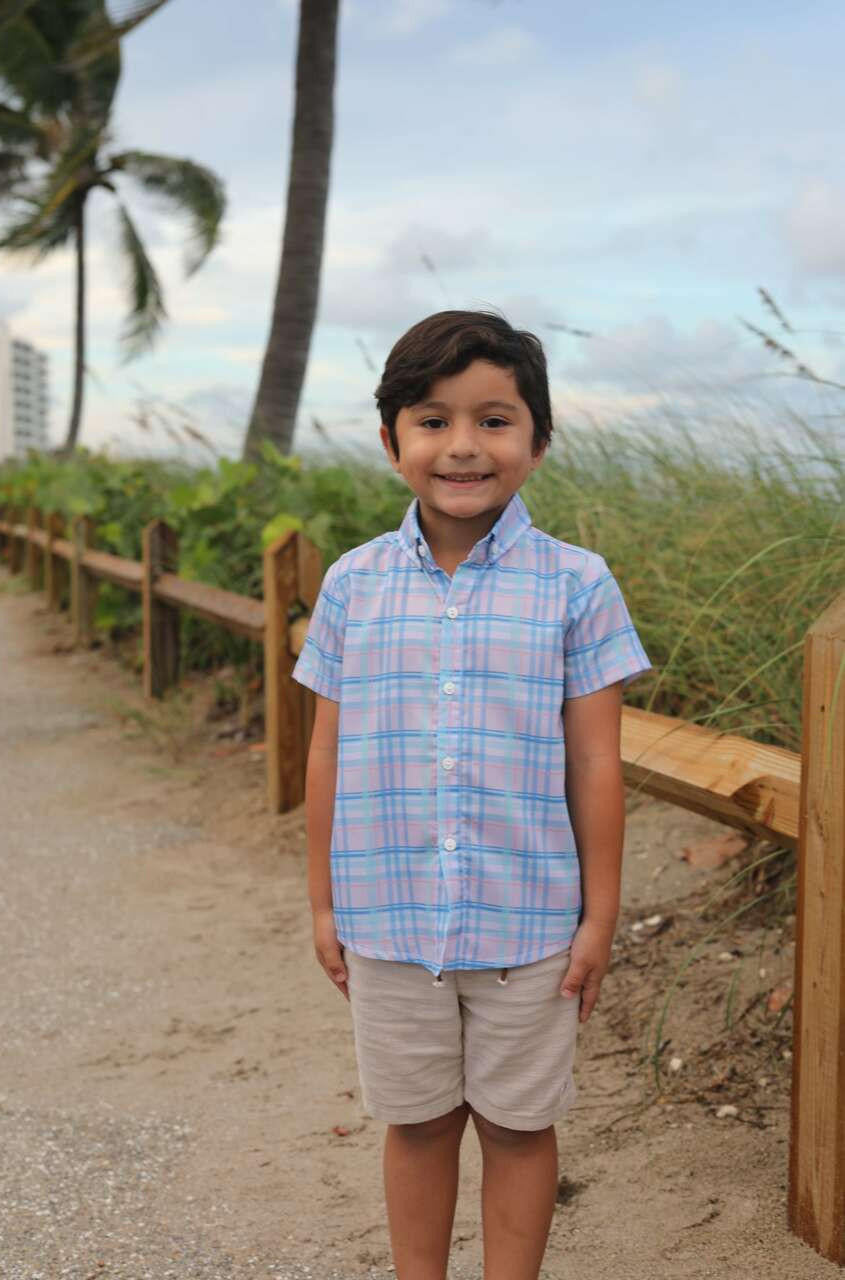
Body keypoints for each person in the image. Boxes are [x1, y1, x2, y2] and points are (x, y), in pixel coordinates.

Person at [291, 310, 653, 1280]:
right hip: (389, 913)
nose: (462, 445)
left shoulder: (577, 585)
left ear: (537, 441)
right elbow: (326, 751)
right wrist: (324, 900)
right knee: (415, 1121)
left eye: (494, 420)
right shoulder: (350, 584)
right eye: (431, 418)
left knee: (519, 1123)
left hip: (529, 921)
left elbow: (596, 764)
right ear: (390, 441)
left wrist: (599, 912)